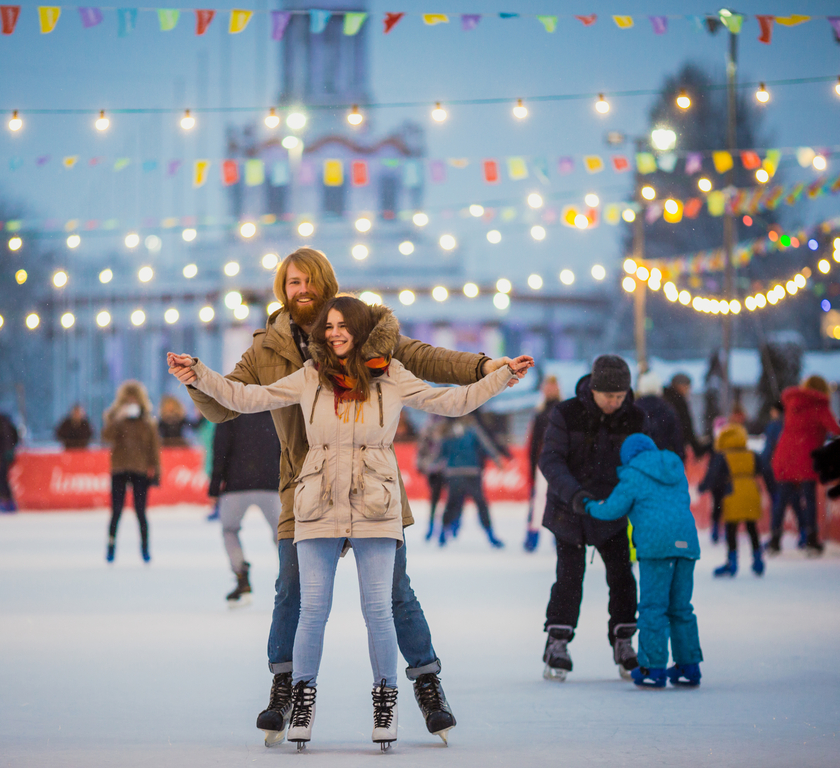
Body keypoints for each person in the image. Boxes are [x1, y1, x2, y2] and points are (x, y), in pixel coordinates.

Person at [175, 245, 530, 748]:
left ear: (328, 286)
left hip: (372, 490)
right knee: (294, 594)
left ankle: (426, 685)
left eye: (309, 281)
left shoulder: (373, 339)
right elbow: (231, 401)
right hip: (306, 485)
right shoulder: (270, 348)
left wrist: (486, 368)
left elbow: (432, 367)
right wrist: (196, 379)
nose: (301, 291)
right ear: (284, 290)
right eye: (292, 283)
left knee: (394, 596)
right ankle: (286, 688)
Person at [538, 354, 645, 682]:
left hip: (611, 510)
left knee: (622, 576)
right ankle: (557, 642)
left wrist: (622, 499)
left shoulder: (635, 418)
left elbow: (643, 464)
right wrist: (576, 495)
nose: (615, 402)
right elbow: (551, 460)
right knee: (570, 576)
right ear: (594, 390)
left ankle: (623, 639)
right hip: (568, 508)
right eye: (609, 396)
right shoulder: (566, 413)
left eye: (620, 396)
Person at [581, 434, 703, 688]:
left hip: (656, 547)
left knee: (653, 608)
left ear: (628, 457)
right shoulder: (674, 469)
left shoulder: (633, 473)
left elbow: (613, 509)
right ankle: (689, 665)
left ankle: (652, 668)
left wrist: (590, 506)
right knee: (681, 608)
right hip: (687, 544)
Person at [208, 412, 282, 606]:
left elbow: (220, 449)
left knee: (229, 530)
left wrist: (215, 485)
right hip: (270, 482)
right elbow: (285, 447)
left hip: (236, 484)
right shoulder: (274, 409)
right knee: (282, 533)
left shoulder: (229, 411)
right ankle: (289, 577)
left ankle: (241, 576)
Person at [769, 375, 840, 554]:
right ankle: (811, 539)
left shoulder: (793, 403)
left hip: (785, 454)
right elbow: (836, 429)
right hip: (807, 456)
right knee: (809, 499)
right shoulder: (820, 405)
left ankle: (774, 540)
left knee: (782, 499)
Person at [102, 381, 161, 564]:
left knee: (141, 511)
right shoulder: (116, 419)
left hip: (140, 470)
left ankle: (145, 548)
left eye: (134, 398)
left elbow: (154, 449)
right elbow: (105, 438)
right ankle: (111, 546)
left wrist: (156, 471)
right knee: (116, 510)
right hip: (119, 468)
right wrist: (117, 419)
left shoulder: (148, 423)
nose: (131, 402)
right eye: (128, 399)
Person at [699, 423, 767, 577]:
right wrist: (772, 490)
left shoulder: (723, 456)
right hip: (751, 491)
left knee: (731, 529)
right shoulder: (752, 454)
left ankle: (732, 562)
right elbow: (765, 471)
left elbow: (713, 476)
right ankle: (758, 561)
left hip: (732, 492)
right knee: (752, 527)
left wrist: (703, 487)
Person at [436, 416, 506, 548]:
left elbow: (440, 453)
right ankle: (491, 535)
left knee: (451, 504)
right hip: (471, 472)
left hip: (455, 473)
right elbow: (485, 445)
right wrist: (496, 458)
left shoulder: (446, 430)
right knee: (480, 504)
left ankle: (443, 534)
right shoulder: (472, 428)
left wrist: (432, 464)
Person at [525, 375, 561, 552]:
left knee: (559, 502)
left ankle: (559, 538)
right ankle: (531, 539)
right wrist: (532, 469)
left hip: (559, 465)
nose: (550, 390)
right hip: (543, 465)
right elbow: (533, 445)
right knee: (538, 503)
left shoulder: (562, 412)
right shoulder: (540, 414)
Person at [634, 371, 684, 459]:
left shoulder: (633, 409)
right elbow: (677, 440)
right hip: (663, 461)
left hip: (639, 461)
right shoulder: (668, 409)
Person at [416, 418, 448, 541]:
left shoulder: (443, 428)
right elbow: (421, 448)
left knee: (442, 501)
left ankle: (441, 528)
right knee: (436, 500)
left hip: (442, 468)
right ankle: (434, 527)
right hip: (436, 469)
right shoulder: (429, 430)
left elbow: (421, 449)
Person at [663, 373, 706, 458]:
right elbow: (686, 427)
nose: (688, 391)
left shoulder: (663, 398)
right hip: (675, 448)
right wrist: (697, 448)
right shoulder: (679, 402)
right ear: (679, 386)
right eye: (687, 387)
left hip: (663, 447)